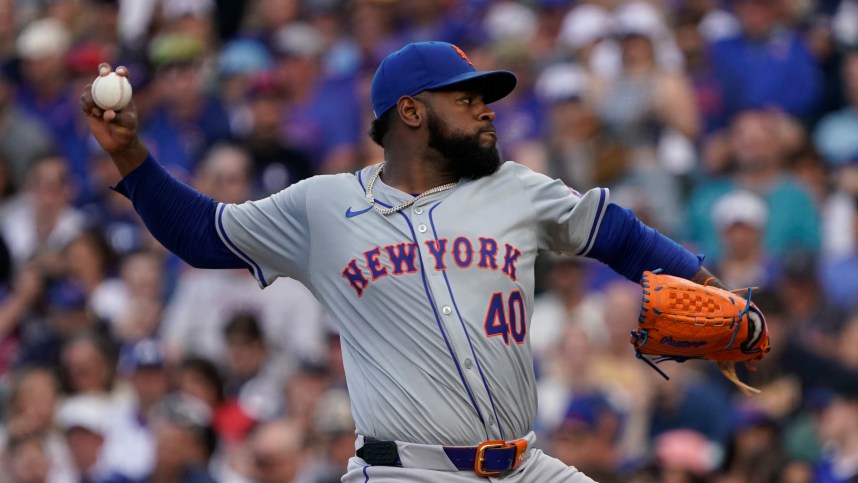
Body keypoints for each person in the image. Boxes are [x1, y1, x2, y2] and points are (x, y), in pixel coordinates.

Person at [81, 41, 730, 481]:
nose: (486, 109)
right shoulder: (324, 207)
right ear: (413, 112)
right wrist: (131, 157)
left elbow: (615, 234)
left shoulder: (517, 188)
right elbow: (202, 233)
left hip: (523, 465)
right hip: (403, 469)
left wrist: (711, 290)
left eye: (486, 98)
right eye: (467, 98)